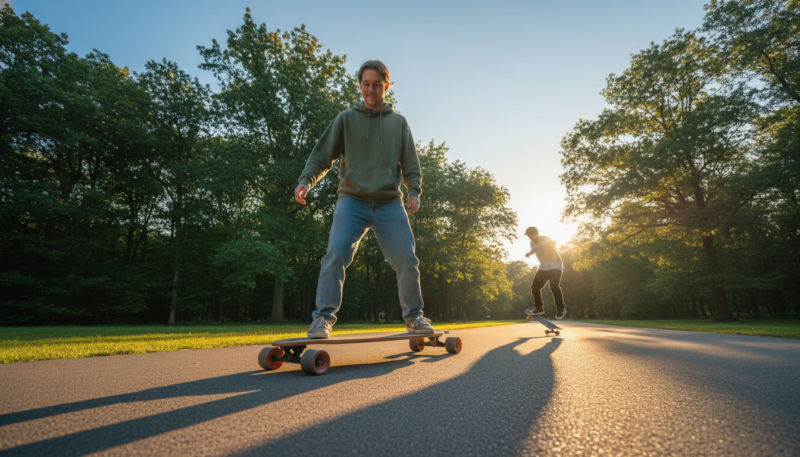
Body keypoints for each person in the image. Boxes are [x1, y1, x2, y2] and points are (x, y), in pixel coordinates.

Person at [294, 60, 434, 339]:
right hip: (352, 200)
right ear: (359, 85)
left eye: (377, 84)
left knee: (407, 258)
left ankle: (414, 318)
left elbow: (410, 164)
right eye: (366, 84)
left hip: (389, 203)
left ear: (387, 86)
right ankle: (322, 319)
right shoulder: (346, 119)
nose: (371, 90)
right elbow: (323, 156)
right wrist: (305, 181)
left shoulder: (398, 123)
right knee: (335, 255)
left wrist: (414, 191)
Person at [524, 227, 567, 319]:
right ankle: (539, 308)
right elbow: (534, 249)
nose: (530, 238)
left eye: (531, 236)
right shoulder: (531, 243)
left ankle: (561, 308)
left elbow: (553, 242)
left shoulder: (546, 239)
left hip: (555, 265)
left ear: (536, 234)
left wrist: (553, 243)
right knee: (535, 287)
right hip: (543, 267)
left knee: (554, 286)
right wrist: (529, 253)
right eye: (528, 236)